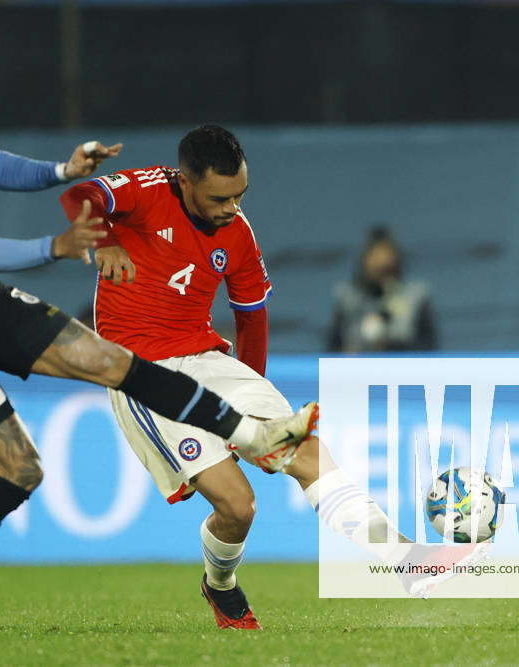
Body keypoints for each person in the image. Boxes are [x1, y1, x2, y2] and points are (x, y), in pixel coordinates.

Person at [0, 20, 317, 642]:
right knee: (19, 470)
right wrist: (58, 244)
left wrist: (61, 169)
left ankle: (249, 431)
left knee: (113, 360)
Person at [60, 125, 463, 629]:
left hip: (209, 360)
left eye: (240, 195)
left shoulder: (238, 231)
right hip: (142, 372)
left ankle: (407, 562)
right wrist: (106, 242)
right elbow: (80, 194)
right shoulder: (143, 191)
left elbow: (251, 315)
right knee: (238, 507)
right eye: (219, 197)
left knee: (306, 450)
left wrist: (245, 411)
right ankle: (220, 586)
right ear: (184, 181)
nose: (232, 207)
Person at [327, 227, 437, 353]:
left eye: (389, 268)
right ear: (365, 263)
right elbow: (333, 348)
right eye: (377, 268)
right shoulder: (346, 298)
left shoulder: (416, 297)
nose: (383, 272)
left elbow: (429, 346)